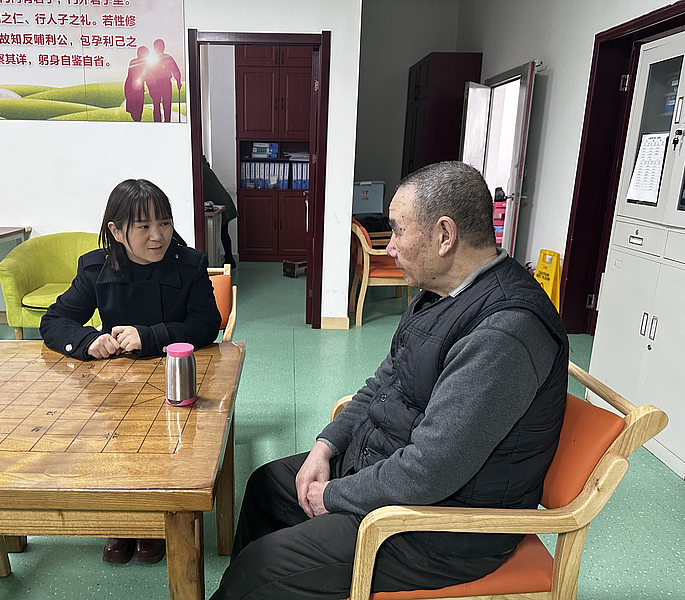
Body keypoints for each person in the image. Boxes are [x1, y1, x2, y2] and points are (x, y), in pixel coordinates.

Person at [210, 161, 569, 600]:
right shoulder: (439, 294)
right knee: (266, 486)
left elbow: (431, 470)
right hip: (386, 472)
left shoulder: (505, 332)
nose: (390, 247)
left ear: (444, 235)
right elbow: (383, 382)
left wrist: (334, 495)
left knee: (261, 568)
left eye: (397, 231)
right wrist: (326, 446)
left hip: (439, 528)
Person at [40, 178, 221, 565]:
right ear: (117, 231)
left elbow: (206, 325)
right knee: (117, 443)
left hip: (177, 378)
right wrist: (87, 340)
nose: (158, 236)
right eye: (144, 226)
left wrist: (149, 336)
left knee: (172, 448)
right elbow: (54, 320)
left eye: (165, 223)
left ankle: (161, 515)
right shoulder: (95, 268)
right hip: (118, 383)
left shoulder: (189, 265)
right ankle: (125, 517)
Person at [202, 155, 238, 268]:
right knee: (224, 233)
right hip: (223, 201)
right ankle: (229, 259)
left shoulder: (200, 170)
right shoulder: (205, 168)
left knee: (223, 233)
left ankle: (229, 260)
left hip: (221, 204)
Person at [145, 38, 182, 122]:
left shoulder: (166, 58)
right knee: (158, 105)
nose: (162, 47)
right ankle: (160, 122)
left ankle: (165, 122)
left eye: (162, 45)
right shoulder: (156, 59)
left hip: (164, 84)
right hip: (157, 85)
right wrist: (178, 81)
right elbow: (147, 74)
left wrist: (178, 81)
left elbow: (175, 71)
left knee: (164, 104)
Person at [124, 46, 150, 122]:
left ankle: (137, 123)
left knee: (136, 112)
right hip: (134, 90)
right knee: (136, 112)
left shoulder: (137, 62)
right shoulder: (139, 63)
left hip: (135, 90)